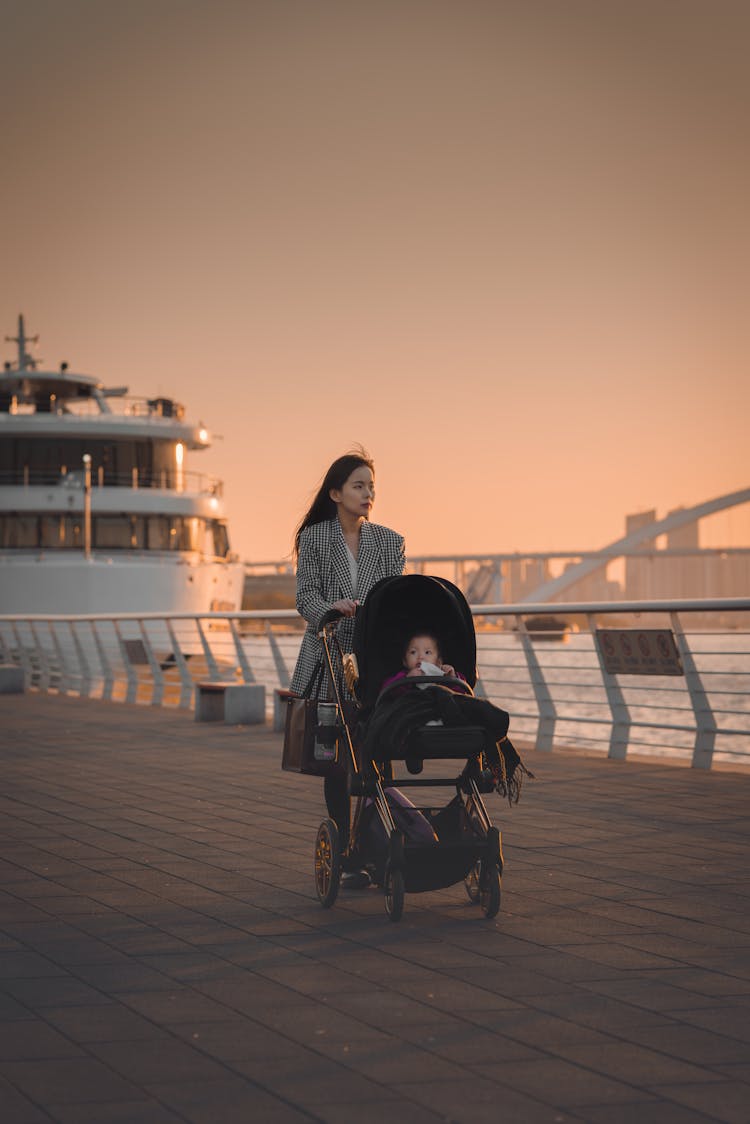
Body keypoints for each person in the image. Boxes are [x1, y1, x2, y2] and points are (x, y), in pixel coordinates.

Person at [290, 449, 405, 882]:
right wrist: (330, 609)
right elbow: (305, 597)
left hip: (374, 661)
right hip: (329, 657)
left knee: (380, 752)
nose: (368, 494)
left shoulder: (390, 541)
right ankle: (345, 848)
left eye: (371, 486)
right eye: (359, 486)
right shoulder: (315, 540)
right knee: (337, 761)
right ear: (336, 493)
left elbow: (395, 598)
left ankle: (377, 844)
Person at [380, 632, 468, 694]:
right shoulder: (402, 676)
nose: (420, 657)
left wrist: (452, 679)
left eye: (427, 652)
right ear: (405, 661)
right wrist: (406, 679)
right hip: (411, 709)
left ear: (438, 661)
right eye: (413, 652)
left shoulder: (442, 676)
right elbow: (387, 690)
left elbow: (462, 694)